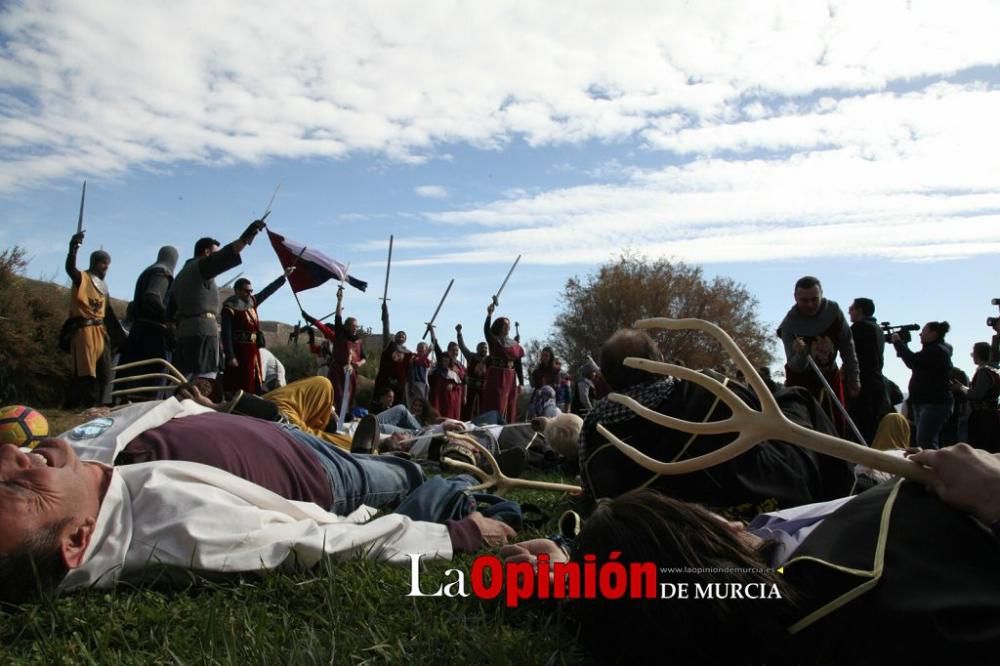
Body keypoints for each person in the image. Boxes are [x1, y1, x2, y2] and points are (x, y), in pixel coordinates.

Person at [504, 443, 1000, 664]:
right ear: (699, 546)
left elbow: (653, 585)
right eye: (695, 515)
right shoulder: (843, 592)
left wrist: (571, 573)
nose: (718, 515)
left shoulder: (759, 561)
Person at [0, 397, 516, 605]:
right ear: (77, 539)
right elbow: (320, 544)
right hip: (322, 476)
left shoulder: (69, 462)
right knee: (401, 474)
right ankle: (411, 463)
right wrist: (459, 534)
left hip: (274, 433)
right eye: (18, 486)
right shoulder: (176, 531)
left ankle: (389, 444)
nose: (12, 455)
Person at [578, 328, 853, 517]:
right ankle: (843, 494)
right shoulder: (708, 387)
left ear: (608, 377)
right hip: (761, 494)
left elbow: (595, 498)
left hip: (679, 525)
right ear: (659, 362)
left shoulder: (596, 435)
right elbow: (760, 410)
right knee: (797, 399)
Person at [170, 221, 267, 380]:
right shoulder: (199, 268)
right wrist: (247, 235)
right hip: (203, 334)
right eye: (215, 253)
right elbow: (226, 255)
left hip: (185, 333)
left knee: (183, 381)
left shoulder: (181, 276)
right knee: (204, 382)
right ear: (207, 253)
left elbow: (170, 316)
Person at [778, 276, 860, 437]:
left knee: (837, 424)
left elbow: (847, 346)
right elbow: (794, 365)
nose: (809, 305)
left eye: (814, 299)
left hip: (830, 375)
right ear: (795, 298)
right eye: (804, 300)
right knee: (806, 429)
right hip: (802, 382)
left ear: (822, 294)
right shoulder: (789, 325)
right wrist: (801, 354)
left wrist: (854, 377)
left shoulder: (834, 312)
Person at [63, 231, 125, 408]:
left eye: (108, 264)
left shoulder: (103, 286)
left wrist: (121, 337)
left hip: (100, 331)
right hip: (84, 330)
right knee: (85, 373)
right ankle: (76, 406)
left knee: (104, 371)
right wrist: (73, 248)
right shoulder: (82, 278)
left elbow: (109, 313)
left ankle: (95, 406)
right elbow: (70, 269)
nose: (106, 267)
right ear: (94, 263)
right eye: (103, 263)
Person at [116, 246, 179, 395]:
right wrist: (168, 319)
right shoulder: (162, 272)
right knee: (152, 379)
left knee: (132, 374)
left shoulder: (147, 271)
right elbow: (152, 297)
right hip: (154, 334)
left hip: (139, 329)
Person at [221, 269, 292, 395]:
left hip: (253, 351)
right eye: (246, 291)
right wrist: (230, 356)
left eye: (250, 291)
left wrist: (283, 277)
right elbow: (226, 334)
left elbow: (267, 291)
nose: (249, 294)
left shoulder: (252, 302)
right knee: (238, 381)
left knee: (253, 381)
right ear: (237, 290)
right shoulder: (229, 308)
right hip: (239, 350)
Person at [302, 287, 366, 417]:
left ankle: (345, 417)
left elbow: (364, 357)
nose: (355, 329)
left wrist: (359, 363)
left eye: (357, 327)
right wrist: (339, 300)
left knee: (349, 396)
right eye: (353, 326)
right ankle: (331, 417)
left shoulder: (358, 341)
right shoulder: (339, 336)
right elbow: (337, 317)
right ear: (346, 327)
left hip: (351, 372)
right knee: (336, 395)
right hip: (337, 370)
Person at [892, 321, 954, 449]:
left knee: (926, 441)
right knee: (923, 440)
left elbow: (912, 361)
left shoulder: (936, 351)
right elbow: (915, 361)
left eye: (924, 331)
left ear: (933, 334)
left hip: (934, 404)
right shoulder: (934, 350)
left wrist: (898, 343)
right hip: (927, 402)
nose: (920, 334)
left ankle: (932, 468)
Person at [845, 297, 890, 444]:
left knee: (859, 433)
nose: (849, 311)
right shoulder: (876, 329)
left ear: (860, 310)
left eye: (852, 308)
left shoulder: (859, 329)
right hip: (876, 384)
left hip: (863, 386)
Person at [482, 303, 524, 423]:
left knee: (510, 404)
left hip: (510, 377)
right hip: (497, 376)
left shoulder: (515, 345)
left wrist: (521, 382)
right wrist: (489, 314)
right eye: (505, 325)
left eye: (508, 325)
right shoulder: (494, 340)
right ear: (499, 327)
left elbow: (518, 364)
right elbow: (486, 331)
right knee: (496, 403)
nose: (507, 327)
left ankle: (507, 430)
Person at [955, 342, 1000, 453]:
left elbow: (976, 395)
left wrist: (961, 388)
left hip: (982, 417)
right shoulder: (993, 371)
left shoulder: (983, 372)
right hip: (992, 415)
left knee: (980, 449)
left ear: (977, 354)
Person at [373, 301, 411, 407]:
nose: (400, 336)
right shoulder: (389, 346)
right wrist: (385, 313)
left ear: (405, 340)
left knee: (396, 405)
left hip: (399, 385)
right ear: (395, 337)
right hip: (385, 381)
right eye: (399, 334)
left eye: (403, 336)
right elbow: (386, 328)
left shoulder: (408, 354)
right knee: (381, 404)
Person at [428, 328, 466, 421]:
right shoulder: (442, 359)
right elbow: (435, 343)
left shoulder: (459, 366)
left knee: (452, 417)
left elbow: (464, 381)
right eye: (453, 350)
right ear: (448, 350)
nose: (455, 352)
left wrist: (464, 396)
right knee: (439, 414)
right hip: (440, 393)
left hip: (454, 395)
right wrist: (431, 331)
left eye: (457, 350)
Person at [456, 323, 488, 420]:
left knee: (483, 409)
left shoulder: (489, 359)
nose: (484, 349)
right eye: (482, 348)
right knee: (468, 409)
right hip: (471, 387)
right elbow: (462, 346)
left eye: (486, 348)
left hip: (483, 388)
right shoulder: (471, 357)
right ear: (477, 349)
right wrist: (459, 333)